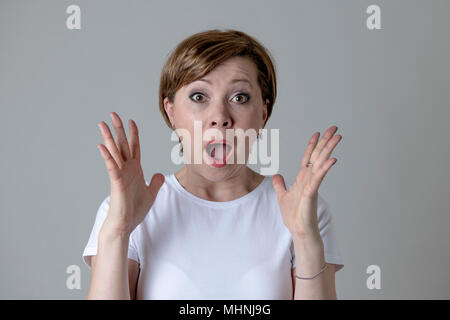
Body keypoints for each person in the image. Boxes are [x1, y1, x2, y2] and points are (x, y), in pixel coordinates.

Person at [82, 29, 344, 300]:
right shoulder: (127, 210)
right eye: (199, 96)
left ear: (263, 113)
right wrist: (119, 230)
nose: (220, 117)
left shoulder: (304, 211)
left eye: (239, 97)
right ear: (171, 111)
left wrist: (304, 237)